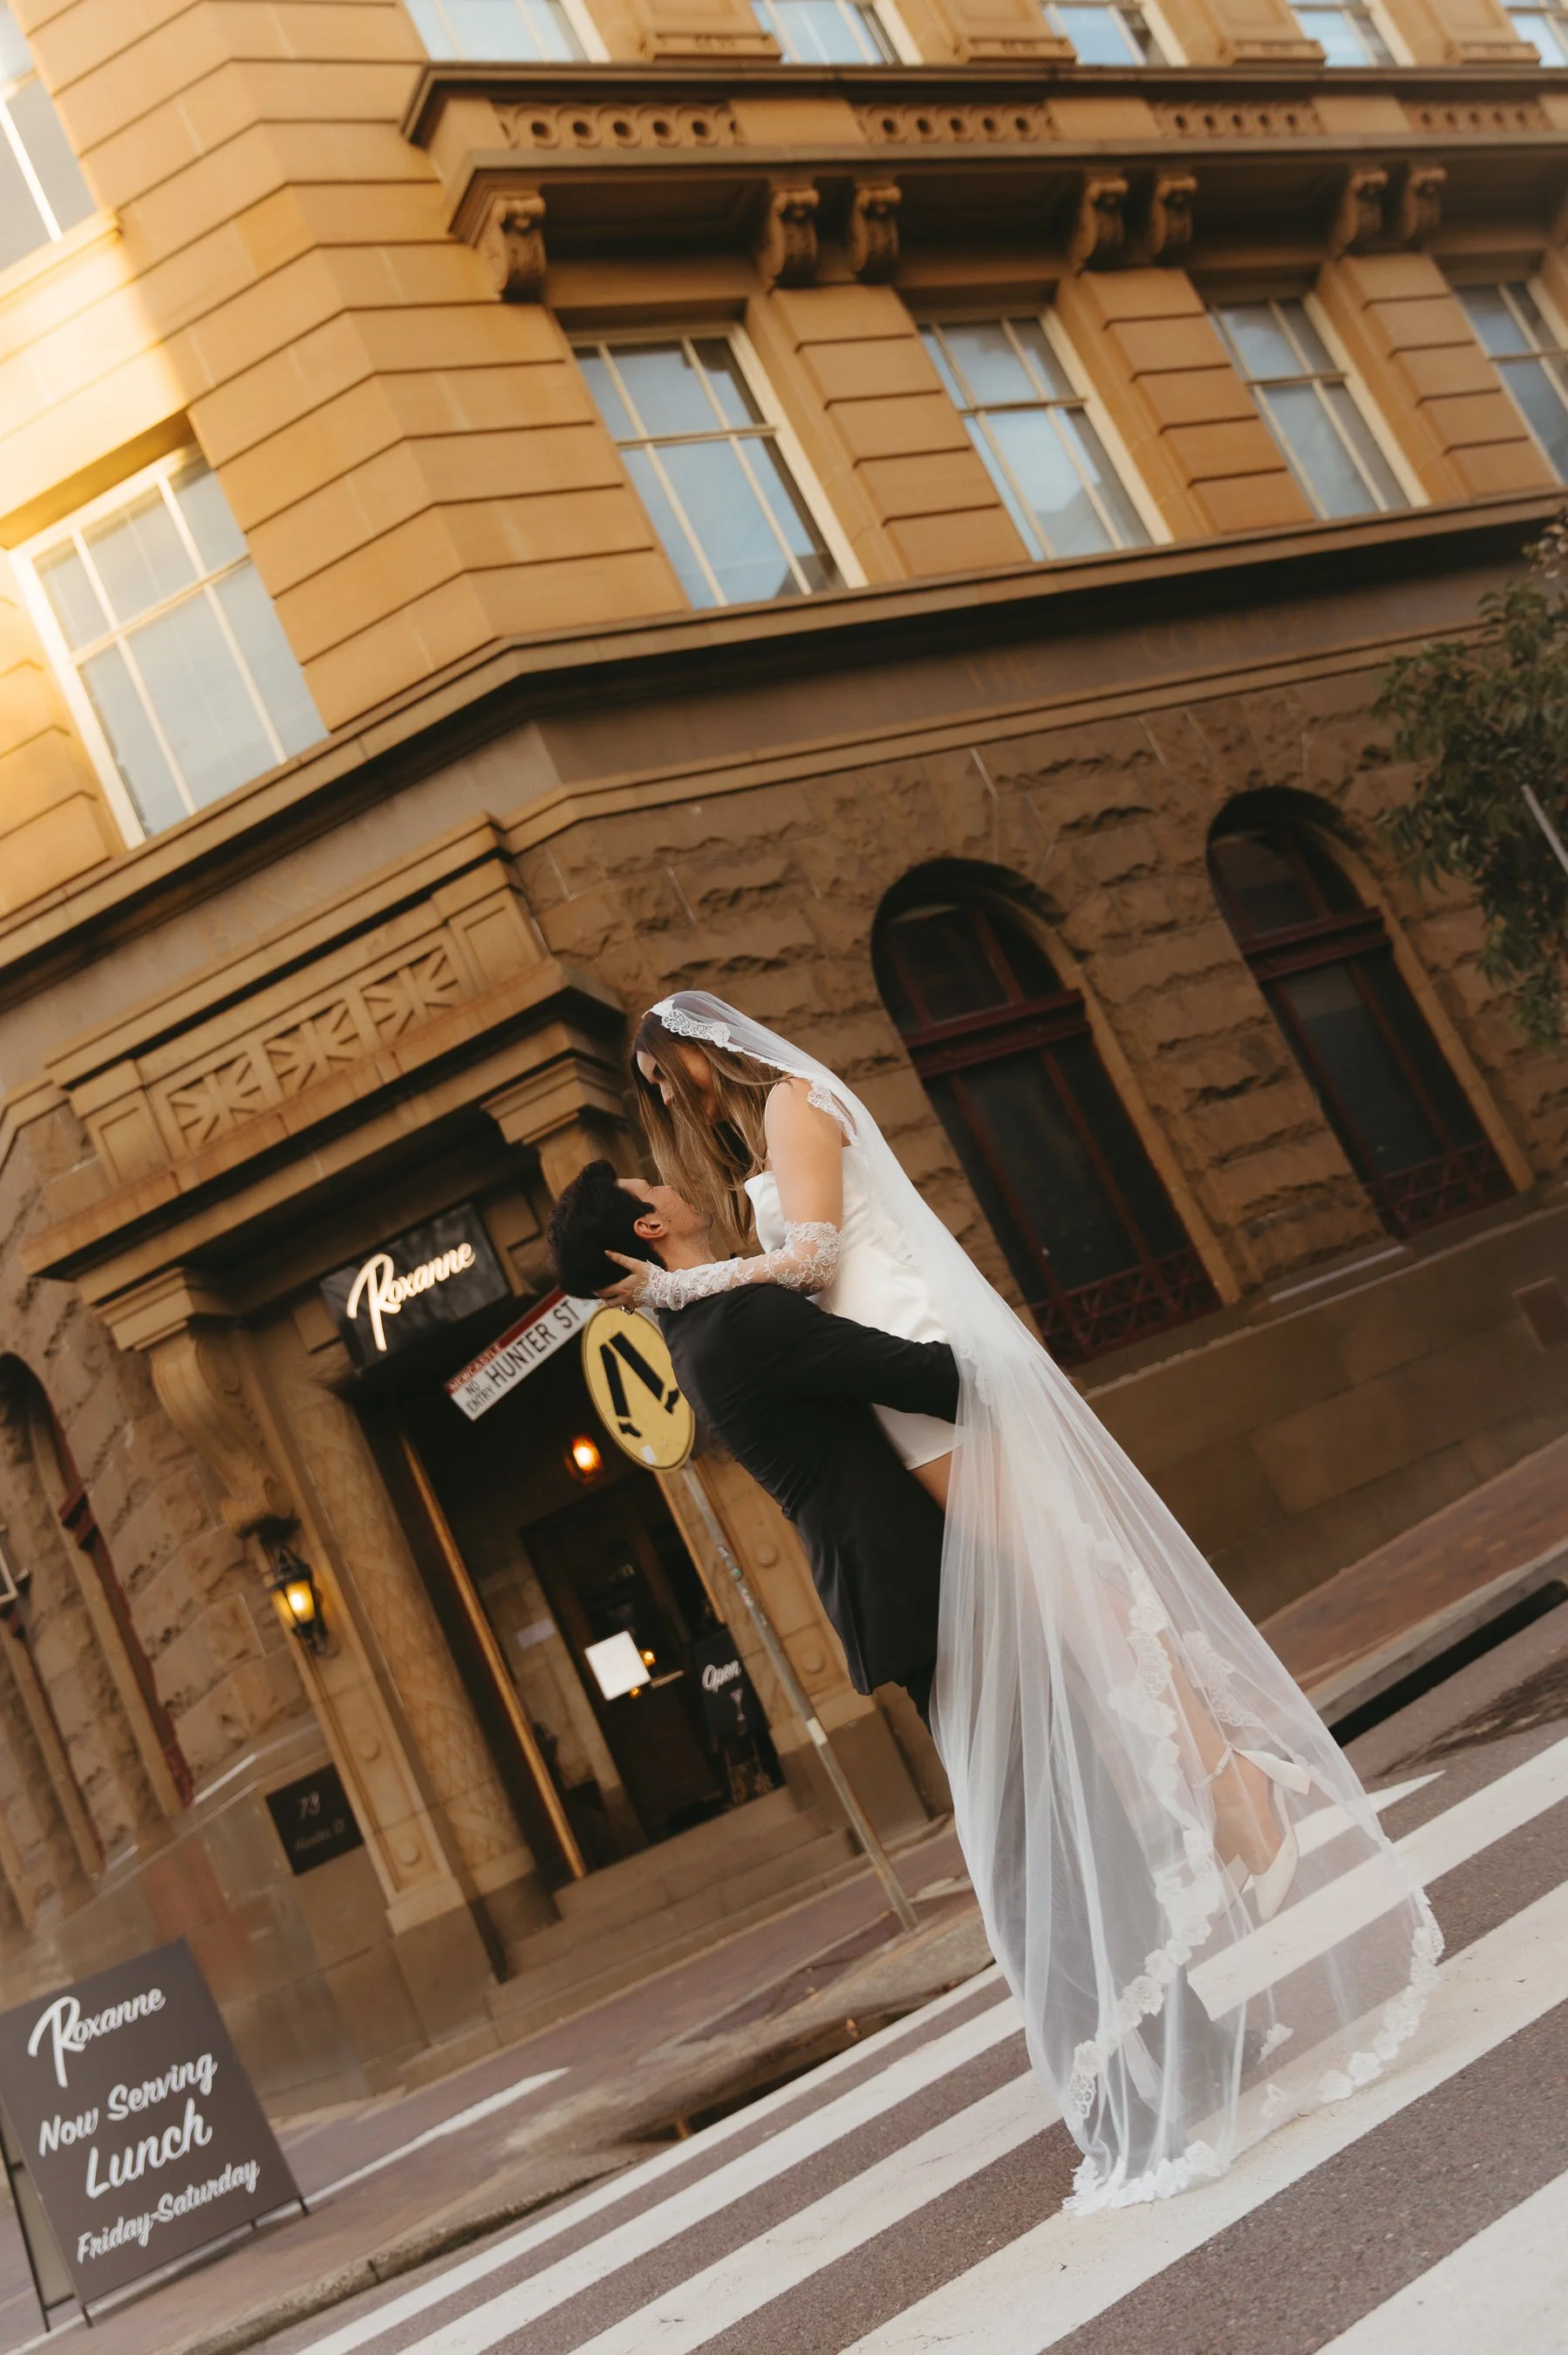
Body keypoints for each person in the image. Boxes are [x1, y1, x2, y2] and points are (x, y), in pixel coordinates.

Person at [598, 990, 1441, 2214]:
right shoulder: (757, 1133)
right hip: (893, 1382)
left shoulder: (788, 1103)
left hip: (911, 1356)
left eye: (665, 1074)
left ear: (698, 1045)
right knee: (1062, 1589)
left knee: (1066, 1583)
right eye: (654, 1089)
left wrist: (677, 1289)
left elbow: (818, 1261)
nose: (670, 1097)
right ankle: (1215, 1793)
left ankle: (1232, 1788)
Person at [547, 1158, 957, 1724]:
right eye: (652, 1188)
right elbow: (926, 1379)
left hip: (890, 1583)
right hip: (914, 1573)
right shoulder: (737, 1320)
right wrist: (990, 1348)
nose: (670, 1186)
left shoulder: (692, 1332)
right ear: (650, 1227)